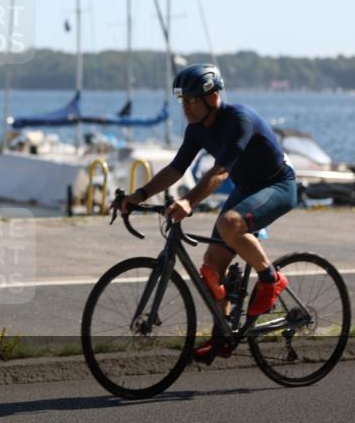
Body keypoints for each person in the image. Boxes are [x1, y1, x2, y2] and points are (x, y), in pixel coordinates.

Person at [117, 64, 297, 363]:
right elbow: (176, 168)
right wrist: (140, 195)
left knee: (229, 223)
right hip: (247, 189)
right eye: (182, 100)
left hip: (277, 185)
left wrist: (188, 201)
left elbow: (221, 171)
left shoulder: (238, 119)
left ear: (212, 98)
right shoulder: (197, 130)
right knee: (212, 268)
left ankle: (271, 278)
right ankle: (222, 339)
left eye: (190, 99)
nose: (185, 106)